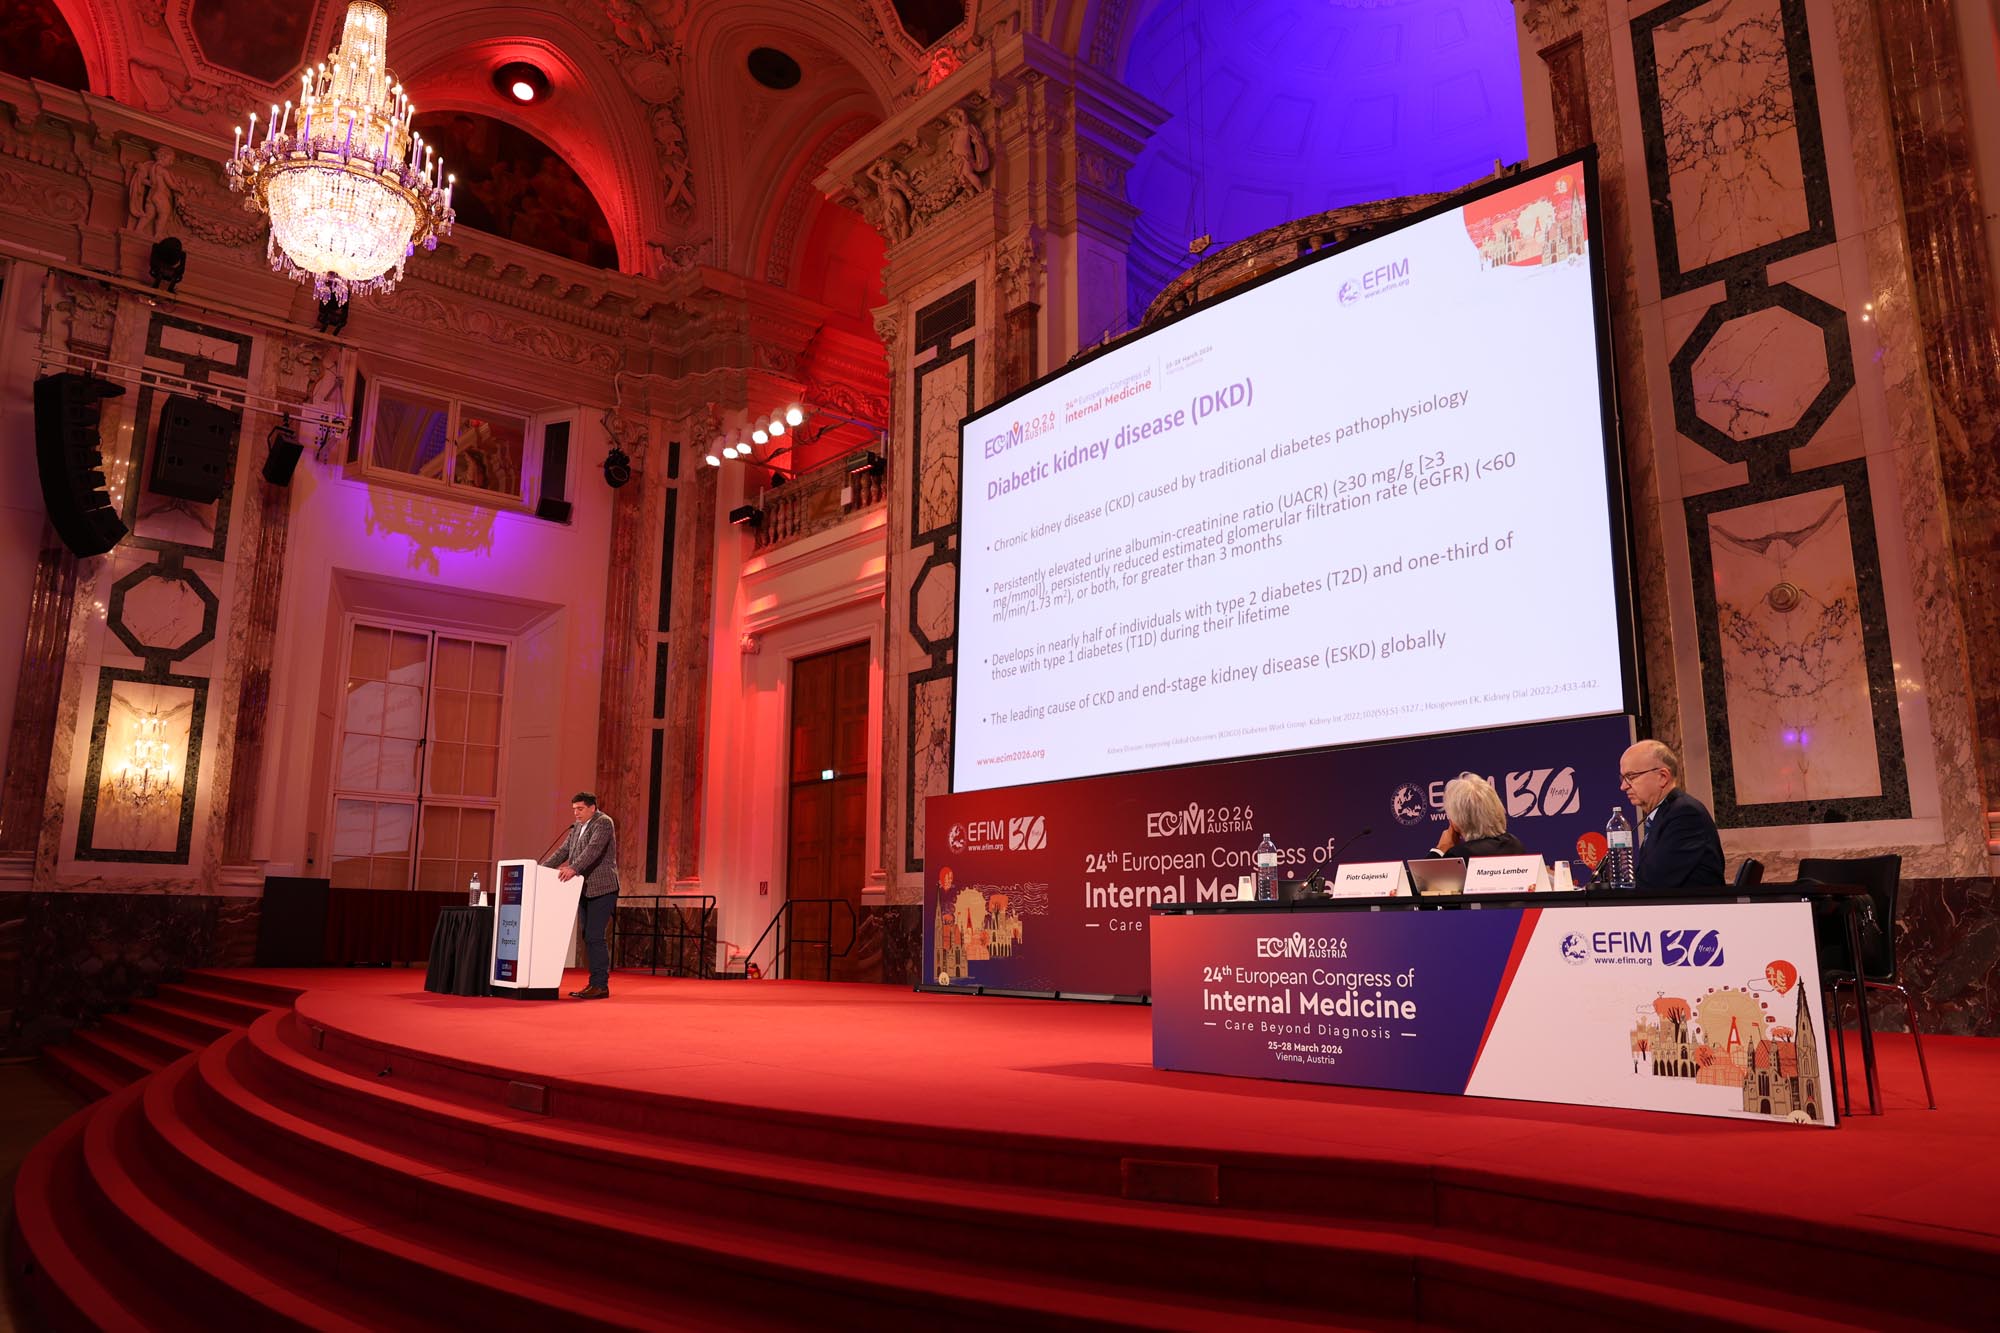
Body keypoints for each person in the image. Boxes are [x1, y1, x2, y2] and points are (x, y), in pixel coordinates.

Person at [542, 792, 620, 998]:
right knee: (588, 936)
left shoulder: (603, 822)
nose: (576, 813)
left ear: (592, 807)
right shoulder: (577, 827)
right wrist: (540, 869)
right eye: (574, 809)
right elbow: (563, 851)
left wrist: (573, 868)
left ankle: (600, 985)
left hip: (603, 888)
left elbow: (592, 851)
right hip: (583, 888)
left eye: (580, 809)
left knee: (595, 935)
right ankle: (594, 983)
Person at [1620, 740, 1726, 888]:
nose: (1623, 786)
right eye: (1623, 778)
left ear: (1662, 777)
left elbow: (1655, 883)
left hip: (1692, 903)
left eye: (1631, 777)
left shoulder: (1686, 815)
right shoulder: (1664, 813)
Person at [1427, 773, 1528, 859]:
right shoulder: (1515, 845)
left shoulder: (1458, 856)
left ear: (1457, 821)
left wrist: (1440, 850)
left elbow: (1424, 876)